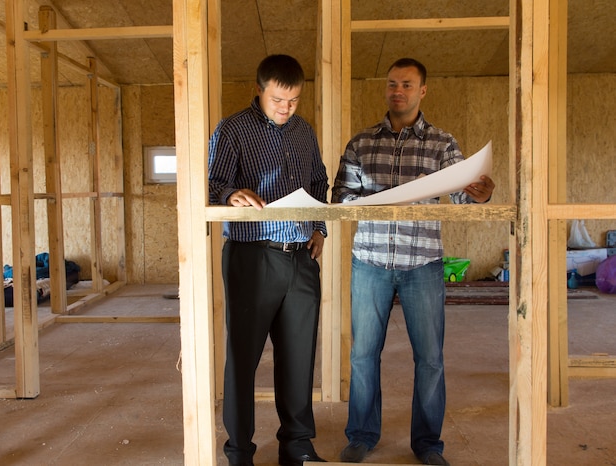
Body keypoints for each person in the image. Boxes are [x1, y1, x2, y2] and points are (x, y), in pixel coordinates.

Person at [331, 57, 495, 466]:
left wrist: (480, 194)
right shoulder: (361, 143)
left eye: (406, 85)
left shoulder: (442, 143)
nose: (397, 91)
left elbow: (462, 196)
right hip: (370, 262)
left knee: (431, 358)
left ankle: (427, 444)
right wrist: (373, 201)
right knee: (363, 355)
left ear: (423, 91)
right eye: (391, 84)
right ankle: (362, 435)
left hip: (422, 263)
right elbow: (341, 198)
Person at [208, 54, 329, 466]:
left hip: (301, 259)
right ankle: (239, 452)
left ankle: (297, 447)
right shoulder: (233, 129)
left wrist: (320, 229)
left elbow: (318, 181)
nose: (286, 108)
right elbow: (213, 183)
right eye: (279, 99)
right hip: (252, 257)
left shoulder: (304, 132)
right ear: (259, 89)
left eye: (294, 100)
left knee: (298, 358)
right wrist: (229, 195)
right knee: (243, 358)